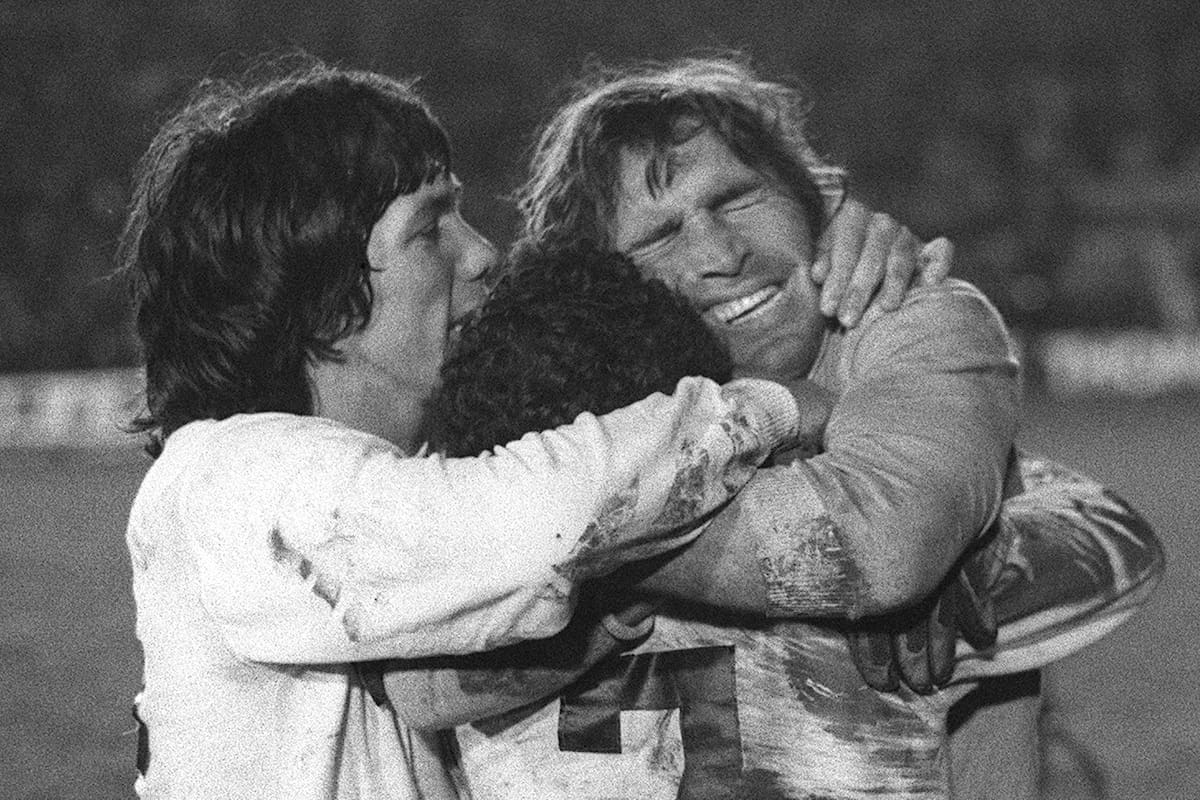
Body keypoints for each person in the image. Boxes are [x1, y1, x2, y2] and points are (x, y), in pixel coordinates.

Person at [117, 59, 939, 800]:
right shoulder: (229, 477)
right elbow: (543, 520)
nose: (481, 255)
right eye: (430, 228)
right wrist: (770, 408)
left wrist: (853, 598)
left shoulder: (387, 488)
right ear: (319, 294)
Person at [377, 57, 1164, 798]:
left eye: (736, 200)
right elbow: (420, 677)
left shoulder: (906, 317)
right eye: (659, 235)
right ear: (594, 279)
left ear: (815, 200)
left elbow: (883, 544)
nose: (719, 253)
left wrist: (570, 552)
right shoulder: (543, 400)